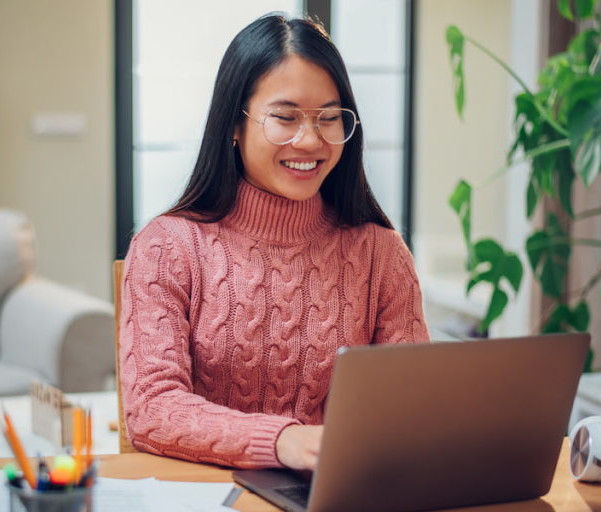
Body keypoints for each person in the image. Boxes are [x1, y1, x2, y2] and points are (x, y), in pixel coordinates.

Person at [118, 14, 430, 472]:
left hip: (337, 495)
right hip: (205, 496)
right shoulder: (167, 248)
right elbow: (152, 408)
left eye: (329, 118)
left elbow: (414, 406)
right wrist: (282, 441)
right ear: (235, 124)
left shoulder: (380, 253)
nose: (310, 140)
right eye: (285, 118)